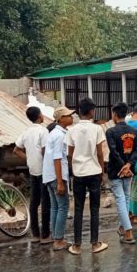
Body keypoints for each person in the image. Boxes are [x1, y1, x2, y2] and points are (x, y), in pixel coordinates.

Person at [65, 98, 108, 255]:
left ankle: (76, 245)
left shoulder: (71, 130)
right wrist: (102, 171)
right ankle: (95, 244)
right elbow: (100, 152)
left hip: (78, 173)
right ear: (91, 111)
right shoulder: (97, 129)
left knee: (78, 208)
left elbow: (69, 154)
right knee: (94, 208)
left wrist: (73, 168)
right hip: (94, 171)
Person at [13, 107, 51, 244]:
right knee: (46, 203)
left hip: (32, 170)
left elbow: (16, 150)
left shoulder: (26, 132)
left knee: (34, 202)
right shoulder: (43, 131)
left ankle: (35, 234)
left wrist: (29, 158)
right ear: (40, 116)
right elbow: (45, 152)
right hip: (43, 171)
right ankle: (45, 235)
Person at [106, 102, 137, 244]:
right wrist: (128, 165)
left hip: (116, 170)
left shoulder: (111, 132)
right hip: (129, 170)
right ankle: (123, 227)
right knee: (125, 198)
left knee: (121, 199)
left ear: (114, 114)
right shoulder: (133, 131)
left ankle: (128, 232)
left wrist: (122, 166)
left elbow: (113, 152)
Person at [42, 106, 74, 251]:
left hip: (49, 175)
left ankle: (56, 236)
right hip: (57, 175)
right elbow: (57, 158)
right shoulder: (60, 135)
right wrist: (60, 182)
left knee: (55, 207)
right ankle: (59, 239)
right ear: (61, 119)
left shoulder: (53, 133)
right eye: (68, 115)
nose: (71, 117)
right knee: (63, 207)